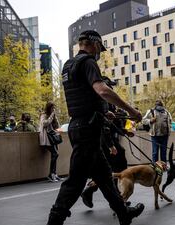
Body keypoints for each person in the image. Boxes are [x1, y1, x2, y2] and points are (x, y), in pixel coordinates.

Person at [46, 30, 144, 225]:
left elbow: (81, 95)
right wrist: (131, 111)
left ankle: (124, 214)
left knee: (105, 177)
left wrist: (102, 112)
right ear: (93, 43)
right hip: (87, 131)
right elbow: (102, 90)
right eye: (100, 46)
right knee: (76, 181)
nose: (100, 51)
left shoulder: (68, 65)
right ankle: (54, 220)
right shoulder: (88, 62)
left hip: (79, 125)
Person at [80, 77, 130, 208]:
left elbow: (110, 122)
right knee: (110, 168)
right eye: (110, 85)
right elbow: (104, 125)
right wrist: (110, 145)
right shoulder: (103, 99)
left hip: (105, 138)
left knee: (106, 170)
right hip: (103, 139)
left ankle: (111, 196)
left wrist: (123, 131)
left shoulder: (107, 100)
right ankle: (113, 197)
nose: (112, 87)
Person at [39, 102, 61, 182]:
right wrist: (51, 116)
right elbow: (44, 124)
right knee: (55, 154)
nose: (53, 109)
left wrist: (55, 117)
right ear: (48, 108)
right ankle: (51, 174)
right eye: (52, 108)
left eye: (53, 108)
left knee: (55, 154)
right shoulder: (43, 115)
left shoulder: (52, 115)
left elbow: (57, 126)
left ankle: (54, 174)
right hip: (46, 137)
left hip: (52, 137)